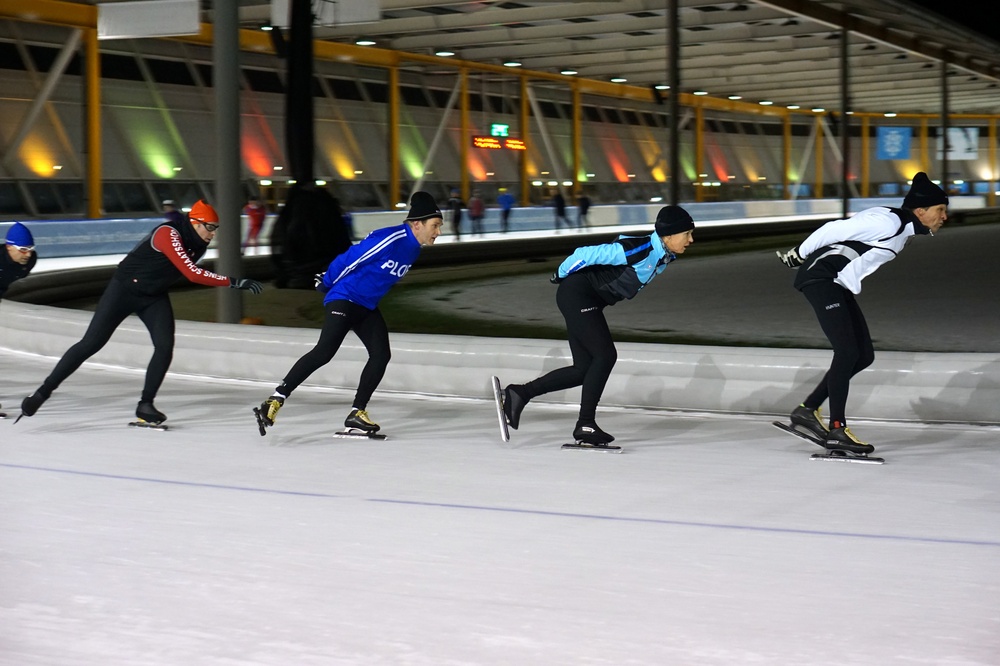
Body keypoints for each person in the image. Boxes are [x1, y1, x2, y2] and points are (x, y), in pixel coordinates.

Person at [17, 200, 264, 426]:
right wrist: (234, 282)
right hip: (124, 290)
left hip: (153, 296)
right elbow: (191, 274)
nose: (213, 233)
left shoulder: (198, 246)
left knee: (164, 347)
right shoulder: (169, 233)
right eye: (210, 227)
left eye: (215, 228)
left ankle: (145, 405)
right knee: (91, 344)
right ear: (194, 223)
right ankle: (42, 393)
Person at [776, 172, 948, 454]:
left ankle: (807, 410)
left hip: (838, 284)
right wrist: (799, 252)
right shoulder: (888, 221)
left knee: (864, 355)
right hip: (822, 279)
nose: (944, 216)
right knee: (846, 352)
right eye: (940, 209)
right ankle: (837, 429)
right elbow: (833, 228)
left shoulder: (903, 231)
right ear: (920, 210)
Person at [496, 205, 695, 445]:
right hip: (578, 295)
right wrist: (559, 274)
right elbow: (585, 254)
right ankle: (585, 424)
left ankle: (520, 393)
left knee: (584, 369)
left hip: (586, 300)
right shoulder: (639, 249)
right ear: (669, 235)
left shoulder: (662, 255)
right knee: (605, 355)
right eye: (687, 234)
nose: (691, 240)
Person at [254, 191, 444, 436]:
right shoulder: (391, 238)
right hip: (345, 298)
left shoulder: (414, 249)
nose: (438, 232)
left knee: (381, 355)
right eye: (435, 225)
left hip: (366, 305)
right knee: (324, 352)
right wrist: (326, 281)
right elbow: (351, 258)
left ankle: (357, 413)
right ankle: (275, 400)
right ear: (417, 224)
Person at [1, 222, 37, 301]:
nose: (28, 255)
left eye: (31, 249)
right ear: (9, 247)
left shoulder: (31, 259)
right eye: (23, 249)